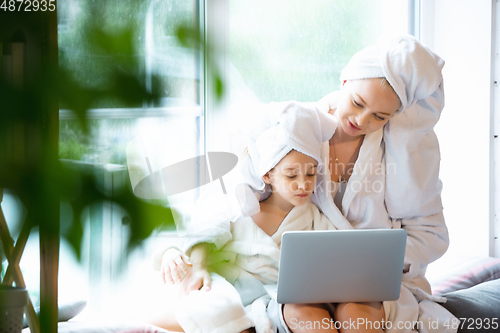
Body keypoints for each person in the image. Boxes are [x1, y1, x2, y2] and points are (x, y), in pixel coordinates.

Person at [158, 35, 453, 333]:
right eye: (357, 103)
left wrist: (381, 262)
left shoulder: (402, 155)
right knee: (305, 314)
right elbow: (227, 196)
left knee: (356, 315)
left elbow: (430, 233)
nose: (362, 120)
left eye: (379, 116)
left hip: (368, 281)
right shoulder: (296, 128)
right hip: (300, 283)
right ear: (344, 81)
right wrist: (197, 258)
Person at [150, 101, 343, 332]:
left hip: (274, 302)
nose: (303, 184)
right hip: (226, 293)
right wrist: (174, 254)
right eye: (291, 176)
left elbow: (338, 259)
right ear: (268, 175)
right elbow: (198, 239)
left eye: (311, 173)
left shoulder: (313, 219)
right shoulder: (238, 209)